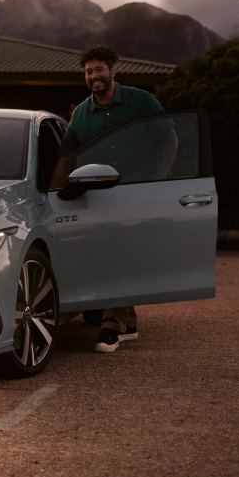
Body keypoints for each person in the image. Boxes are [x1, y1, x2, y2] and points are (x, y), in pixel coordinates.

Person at [49, 44, 177, 353]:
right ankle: (128, 322)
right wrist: (53, 196)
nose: (94, 76)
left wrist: (158, 180)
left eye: (99, 70)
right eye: (88, 71)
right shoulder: (81, 113)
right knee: (114, 256)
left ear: (112, 71)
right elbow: (66, 158)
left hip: (135, 193)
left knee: (120, 255)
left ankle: (112, 327)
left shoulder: (141, 101)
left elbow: (169, 138)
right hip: (98, 197)